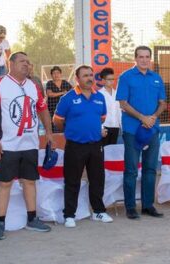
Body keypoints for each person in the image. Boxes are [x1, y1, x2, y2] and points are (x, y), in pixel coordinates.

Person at [0, 52, 53, 240]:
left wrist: (49, 132)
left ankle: (32, 219)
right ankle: (0, 223)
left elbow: (42, 109)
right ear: (10, 64)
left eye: (29, 62)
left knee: (29, 181)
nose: (27, 65)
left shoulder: (34, 86)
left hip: (30, 144)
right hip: (8, 145)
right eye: (22, 61)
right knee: (5, 183)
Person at [53, 65, 113, 228]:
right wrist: (72, 130)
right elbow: (57, 120)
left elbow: (101, 118)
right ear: (77, 79)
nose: (89, 78)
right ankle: (69, 215)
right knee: (72, 180)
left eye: (91, 75)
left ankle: (98, 212)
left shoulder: (99, 98)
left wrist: (91, 129)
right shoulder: (67, 98)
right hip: (75, 146)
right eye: (85, 75)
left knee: (97, 180)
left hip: (95, 145)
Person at [116, 46, 167, 220]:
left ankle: (147, 206)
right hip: (132, 130)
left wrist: (152, 117)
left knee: (150, 169)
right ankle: (130, 207)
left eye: (147, 57)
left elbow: (162, 103)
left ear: (150, 59)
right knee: (131, 169)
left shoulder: (157, 78)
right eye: (141, 57)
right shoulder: (125, 77)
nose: (144, 60)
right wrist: (141, 117)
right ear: (135, 58)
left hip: (152, 129)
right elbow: (123, 103)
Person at [99, 67, 121, 145]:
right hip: (104, 127)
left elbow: (119, 111)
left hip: (115, 127)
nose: (112, 81)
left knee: (112, 153)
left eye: (113, 79)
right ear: (103, 80)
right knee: (103, 152)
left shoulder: (117, 94)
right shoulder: (99, 95)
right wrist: (101, 128)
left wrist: (121, 126)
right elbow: (98, 113)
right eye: (109, 79)